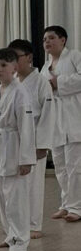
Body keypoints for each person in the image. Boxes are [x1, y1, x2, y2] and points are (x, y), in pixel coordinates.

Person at [0, 48, 36, 251]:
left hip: (14, 148)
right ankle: (10, 234)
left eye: (3, 65)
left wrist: (26, 159)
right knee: (3, 198)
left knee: (15, 199)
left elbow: (26, 128)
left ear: (15, 67)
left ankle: (19, 243)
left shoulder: (21, 93)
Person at [9, 38, 55, 238]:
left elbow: (48, 114)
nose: (13, 63)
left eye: (16, 58)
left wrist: (43, 144)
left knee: (33, 184)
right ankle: (17, 224)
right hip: (14, 138)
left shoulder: (41, 82)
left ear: (28, 57)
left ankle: (34, 224)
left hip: (35, 137)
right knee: (15, 185)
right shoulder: (11, 83)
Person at [40, 25, 81, 222]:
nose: (47, 42)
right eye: (45, 39)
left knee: (75, 167)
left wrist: (59, 82)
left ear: (63, 40)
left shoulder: (74, 56)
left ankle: (77, 207)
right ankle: (65, 204)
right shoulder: (45, 66)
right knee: (60, 166)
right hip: (55, 121)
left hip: (74, 119)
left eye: (51, 38)